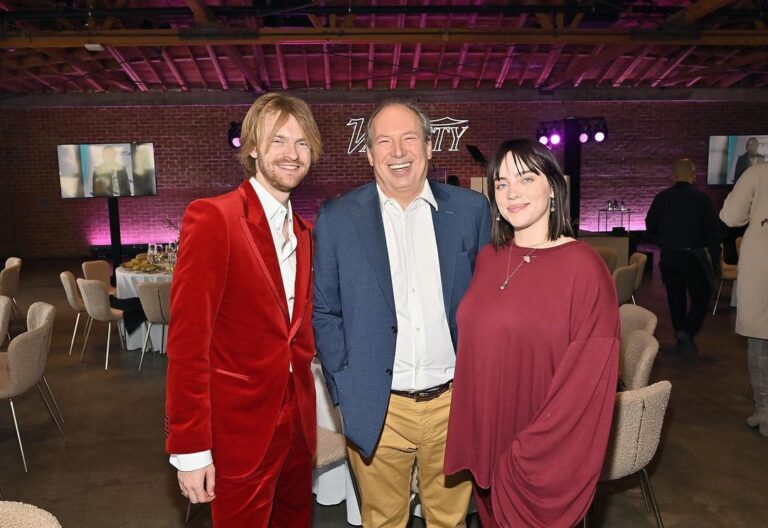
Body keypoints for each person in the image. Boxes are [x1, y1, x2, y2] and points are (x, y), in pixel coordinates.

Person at [313, 100, 490, 527]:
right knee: (382, 521)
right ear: (370, 154)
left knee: (449, 521)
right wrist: (346, 388)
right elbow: (325, 311)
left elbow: (489, 304)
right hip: (377, 408)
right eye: (384, 141)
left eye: (409, 138)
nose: (398, 151)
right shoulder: (337, 219)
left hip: (454, 403)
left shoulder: (470, 211)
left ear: (429, 147)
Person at [444, 139, 620, 528]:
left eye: (525, 178)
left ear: (554, 187)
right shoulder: (489, 257)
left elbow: (586, 387)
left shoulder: (584, 268)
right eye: (502, 183)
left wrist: (524, 455)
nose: (512, 192)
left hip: (539, 454)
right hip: (489, 445)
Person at [165, 93, 322, 527]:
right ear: (251, 147)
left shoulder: (304, 232)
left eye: (302, 142)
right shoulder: (213, 218)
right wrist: (191, 448)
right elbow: (187, 343)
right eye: (278, 141)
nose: (291, 154)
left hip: (296, 430)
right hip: (238, 430)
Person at [645, 158, 721, 358]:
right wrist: (716, 263)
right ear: (693, 175)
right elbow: (713, 234)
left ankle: (681, 337)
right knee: (702, 297)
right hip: (694, 256)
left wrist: (663, 242)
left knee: (675, 298)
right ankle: (687, 332)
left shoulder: (661, 198)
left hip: (669, 255)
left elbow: (649, 226)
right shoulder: (702, 200)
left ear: (673, 175)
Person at [720, 163, 768, 436]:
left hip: (762, 261)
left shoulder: (758, 173)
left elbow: (731, 217)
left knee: (760, 337)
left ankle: (765, 414)